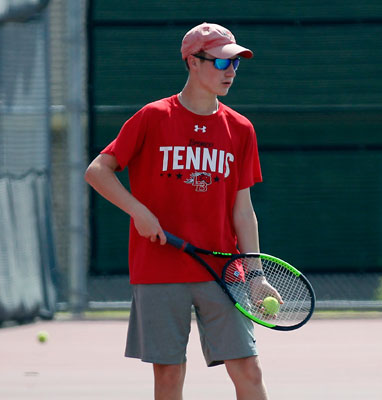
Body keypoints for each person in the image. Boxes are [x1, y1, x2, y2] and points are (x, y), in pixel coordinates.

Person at [85, 22, 274, 399]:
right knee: (169, 377)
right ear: (192, 61)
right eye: (221, 63)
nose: (231, 72)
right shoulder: (153, 117)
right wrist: (138, 210)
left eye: (235, 64)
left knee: (249, 370)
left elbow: (243, 210)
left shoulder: (240, 129)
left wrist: (255, 274)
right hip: (159, 269)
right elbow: (98, 171)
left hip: (222, 270)